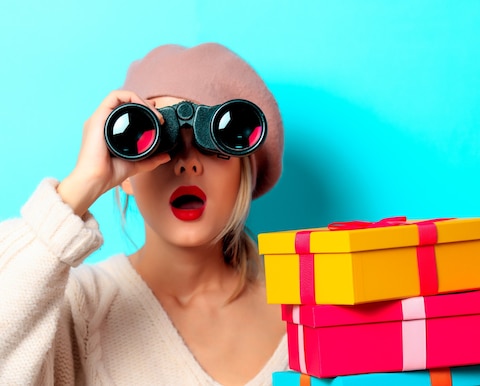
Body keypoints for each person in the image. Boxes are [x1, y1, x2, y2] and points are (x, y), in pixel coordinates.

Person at [0, 43, 287, 385]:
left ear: (246, 170)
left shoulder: (306, 312)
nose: (187, 163)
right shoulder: (78, 306)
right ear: (127, 177)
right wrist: (83, 183)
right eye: (163, 142)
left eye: (214, 143)